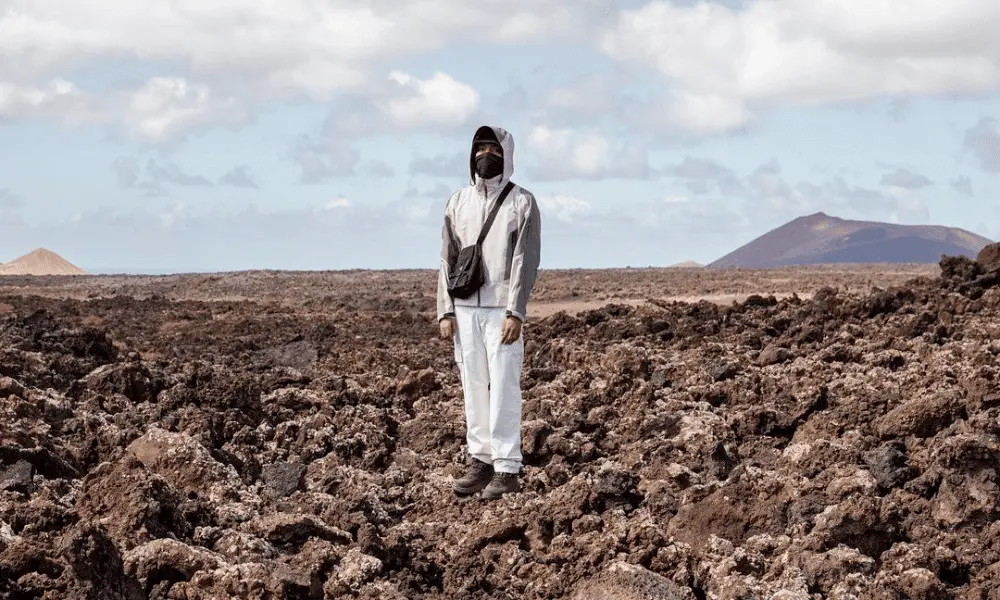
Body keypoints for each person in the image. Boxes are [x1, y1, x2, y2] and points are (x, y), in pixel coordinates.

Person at [436, 125, 542, 500]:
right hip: (465, 311)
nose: (485, 155)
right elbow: (447, 258)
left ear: (506, 155)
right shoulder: (457, 202)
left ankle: (507, 466)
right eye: (479, 148)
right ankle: (480, 460)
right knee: (473, 386)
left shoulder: (522, 203)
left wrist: (516, 311)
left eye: (493, 148)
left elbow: (524, 262)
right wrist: (445, 311)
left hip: (501, 311)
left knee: (504, 387)